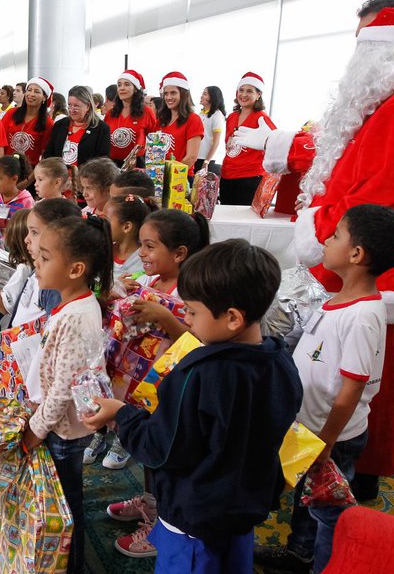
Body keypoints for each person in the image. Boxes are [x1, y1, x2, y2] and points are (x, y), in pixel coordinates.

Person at [235, 1, 394, 503]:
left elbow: (384, 192)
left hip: (381, 264)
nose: (353, 54)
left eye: (362, 41)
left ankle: (359, 475)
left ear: (385, 47)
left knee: (372, 377)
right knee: (344, 366)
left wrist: (325, 227)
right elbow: (350, 160)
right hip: (363, 255)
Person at [85, 239, 303, 573]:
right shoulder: (281, 362)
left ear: (232, 318)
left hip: (194, 516)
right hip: (244, 506)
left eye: (192, 311)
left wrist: (122, 415)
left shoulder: (199, 373)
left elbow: (163, 449)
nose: (186, 319)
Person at [256, 205, 394, 574]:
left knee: (326, 507)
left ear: (357, 255)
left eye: (336, 235)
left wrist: (326, 440)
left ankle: (321, 563)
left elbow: (352, 388)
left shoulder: (361, 316)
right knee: (308, 496)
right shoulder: (338, 299)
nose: (326, 240)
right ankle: (300, 550)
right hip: (311, 425)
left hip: (334, 434)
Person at [100, 209, 210, 557]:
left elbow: (198, 344)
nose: (142, 253)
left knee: (164, 457)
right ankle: (149, 502)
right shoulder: (149, 282)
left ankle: (161, 526)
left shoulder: (192, 291)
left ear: (179, 253)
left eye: (149, 247)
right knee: (147, 453)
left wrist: (165, 316)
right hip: (139, 388)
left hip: (171, 391)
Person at [22, 214, 114, 574]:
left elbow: (64, 388)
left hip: (63, 430)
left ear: (76, 269)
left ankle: (72, 565)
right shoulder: (69, 306)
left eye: (45, 257)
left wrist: (37, 428)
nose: (36, 261)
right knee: (65, 500)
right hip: (59, 425)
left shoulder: (77, 317)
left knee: (66, 506)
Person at [0, 198, 81, 327]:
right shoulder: (35, 270)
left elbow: (49, 329)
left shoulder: (51, 282)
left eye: (34, 232)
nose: (27, 239)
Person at [220, 72, 275, 205]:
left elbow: (275, 143)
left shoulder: (261, 118)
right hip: (227, 174)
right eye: (241, 90)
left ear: (258, 95)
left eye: (249, 91)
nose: (243, 95)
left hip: (249, 177)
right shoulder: (232, 117)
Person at [45, 85, 111, 168]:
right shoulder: (59, 125)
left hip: (85, 178)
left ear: (88, 106)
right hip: (59, 177)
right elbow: (49, 153)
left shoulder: (101, 129)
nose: (72, 110)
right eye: (69, 105)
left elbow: (102, 161)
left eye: (76, 106)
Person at [1, 77, 54, 178]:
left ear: (44, 97)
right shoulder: (11, 113)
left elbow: (44, 157)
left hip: (29, 174)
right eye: (29, 90)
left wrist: (28, 181)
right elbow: (0, 142)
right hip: (6, 169)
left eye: (37, 91)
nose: (31, 94)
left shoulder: (48, 123)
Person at [155, 72, 204, 177]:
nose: (168, 97)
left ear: (183, 94)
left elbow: (191, 157)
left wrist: (171, 176)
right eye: (166, 93)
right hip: (159, 177)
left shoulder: (193, 119)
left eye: (173, 93)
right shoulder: (161, 120)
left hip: (181, 178)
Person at [105, 70, 157, 168]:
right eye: (119, 85)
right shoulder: (110, 113)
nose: (122, 88)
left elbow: (155, 141)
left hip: (136, 164)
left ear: (136, 89)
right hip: (112, 164)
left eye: (127, 84)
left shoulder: (146, 112)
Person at [106, 193, 153, 278]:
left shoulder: (144, 261)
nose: (101, 224)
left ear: (126, 227)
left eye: (106, 221)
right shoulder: (104, 250)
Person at [197, 85, 226, 175]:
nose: (202, 96)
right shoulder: (201, 114)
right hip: (197, 157)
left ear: (213, 97)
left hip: (208, 161)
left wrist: (206, 161)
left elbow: (216, 142)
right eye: (202, 93)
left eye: (205, 94)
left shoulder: (217, 115)